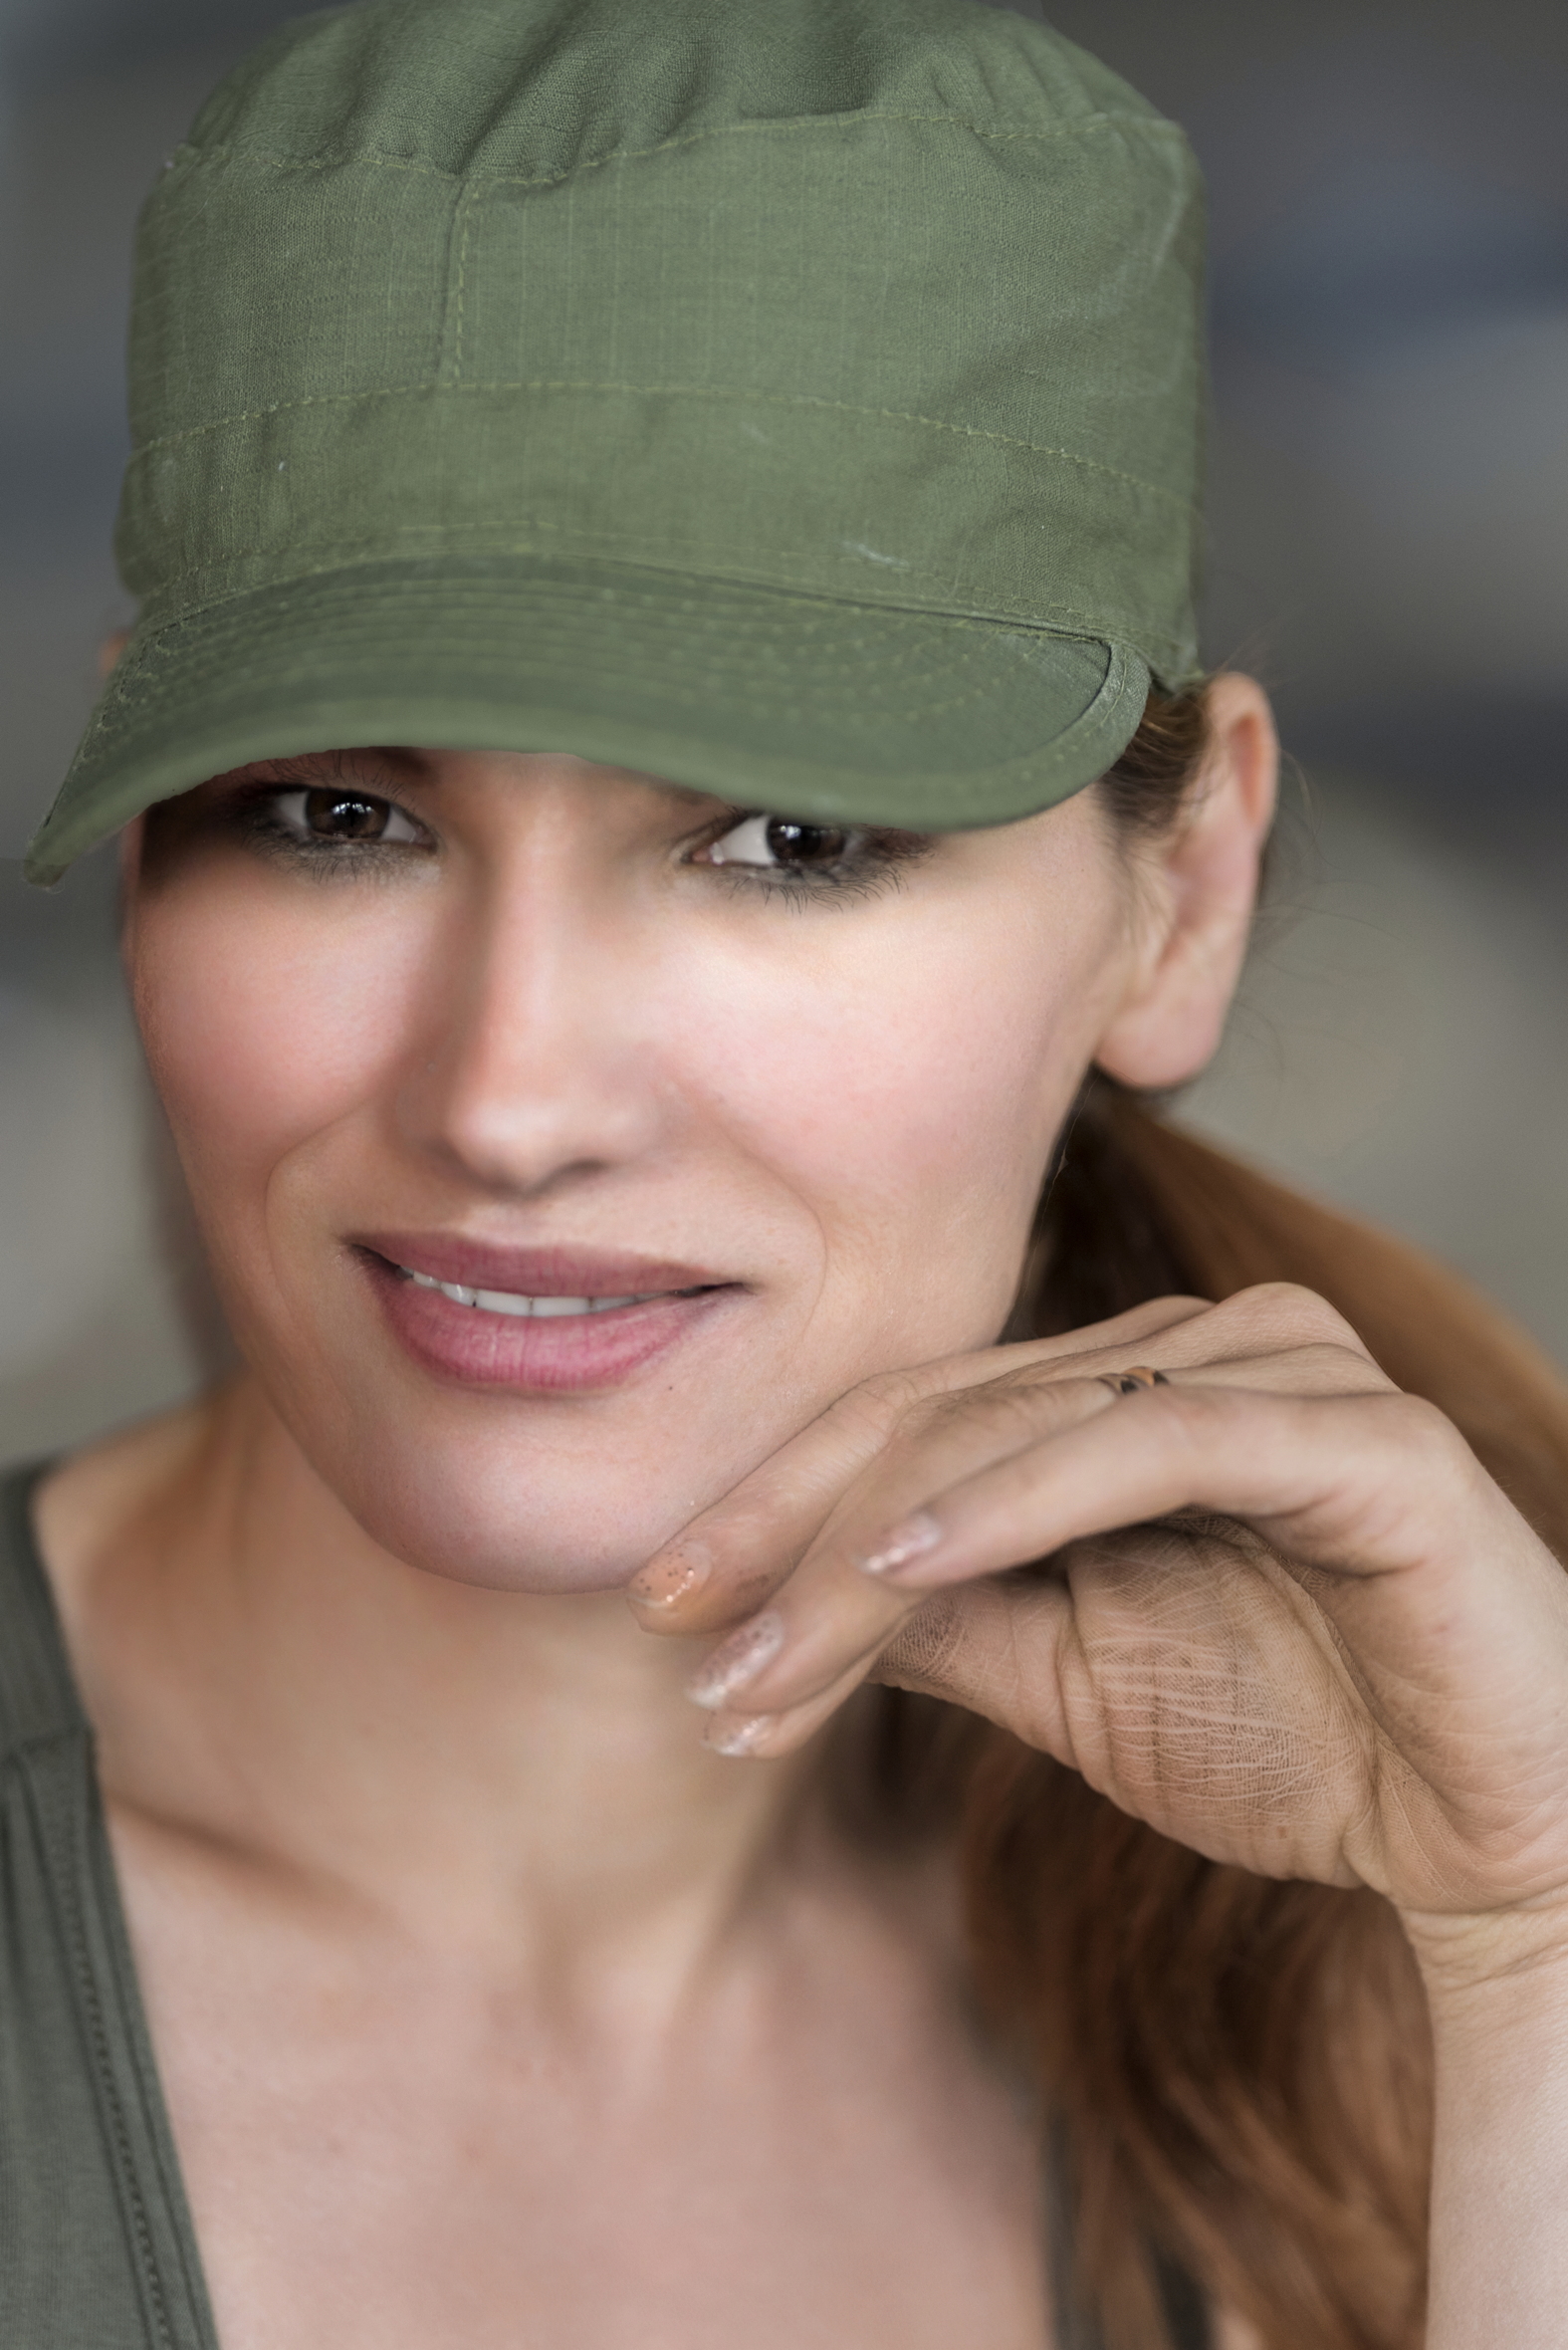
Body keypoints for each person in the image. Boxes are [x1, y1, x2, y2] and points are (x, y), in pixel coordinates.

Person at [11, 1, 1568, 2345]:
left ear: (1186, 894)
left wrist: (1529, 1943)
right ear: (145, 842)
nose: (509, 1095)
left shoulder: (1400, 1927)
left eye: (782, 839)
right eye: (339, 814)